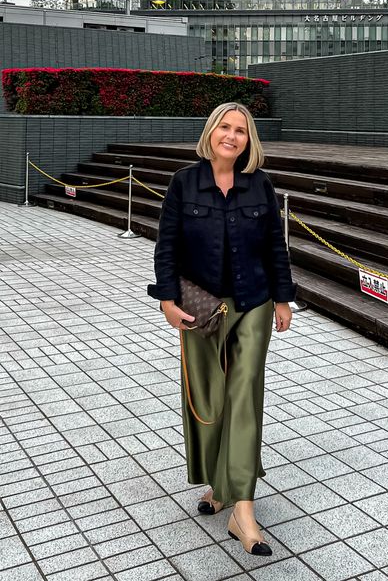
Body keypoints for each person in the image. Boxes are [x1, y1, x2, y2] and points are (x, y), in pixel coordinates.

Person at [147, 102, 296, 556]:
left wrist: (284, 297)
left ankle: (243, 509)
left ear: (250, 141)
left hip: (254, 302)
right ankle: (219, 485)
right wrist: (168, 300)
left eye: (242, 131)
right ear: (211, 132)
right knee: (209, 400)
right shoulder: (184, 182)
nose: (232, 136)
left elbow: (276, 242)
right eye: (225, 128)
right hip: (202, 307)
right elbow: (166, 243)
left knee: (244, 395)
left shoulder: (260, 184)